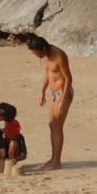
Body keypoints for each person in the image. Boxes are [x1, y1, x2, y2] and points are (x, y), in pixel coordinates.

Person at [26, 35, 73, 170]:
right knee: (52, 126)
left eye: (37, 53)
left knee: (56, 126)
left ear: (44, 48)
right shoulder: (45, 56)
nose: (37, 56)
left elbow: (68, 78)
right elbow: (48, 72)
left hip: (62, 93)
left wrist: (64, 100)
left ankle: (56, 162)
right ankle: (53, 159)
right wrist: (42, 91)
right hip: (53, 94)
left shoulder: (59, 55)